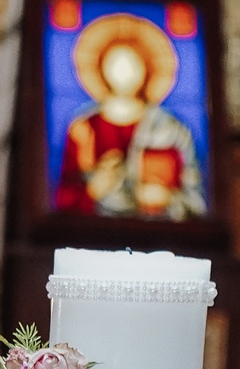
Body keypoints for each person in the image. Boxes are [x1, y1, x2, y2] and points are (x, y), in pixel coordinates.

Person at [52, 12, 204, 221]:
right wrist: (93, 190)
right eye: (117, 64)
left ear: (146, 67)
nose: (124, 73)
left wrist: (167, 198)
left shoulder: (172, 129)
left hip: (160, 238)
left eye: (133, 64)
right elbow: (61, 201)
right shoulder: (83, 128)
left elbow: (197, 204)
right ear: (102, 66)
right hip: (94, 237)